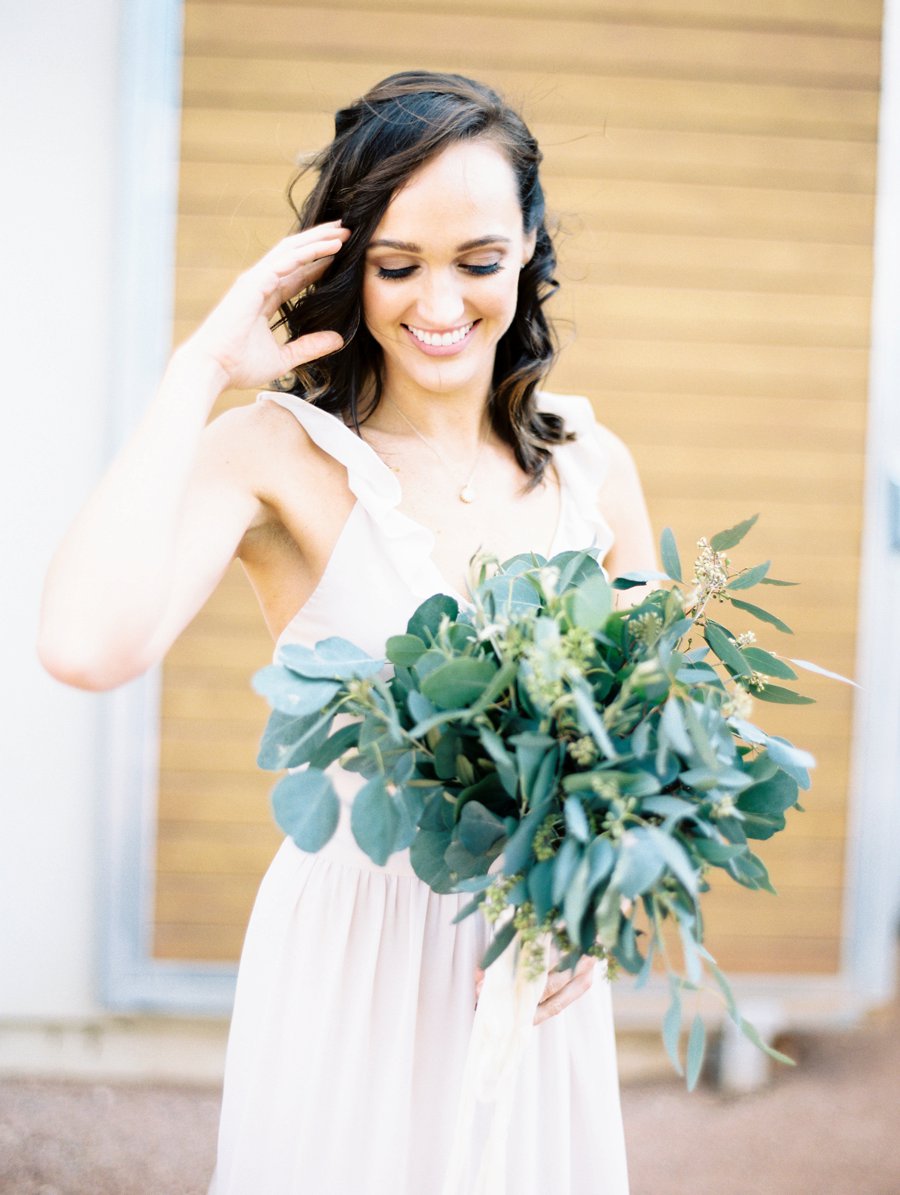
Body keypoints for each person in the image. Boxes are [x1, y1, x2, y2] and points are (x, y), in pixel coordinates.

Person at [39, 71, 655, 1194]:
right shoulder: (271, 454)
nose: (439, 303)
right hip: (353, 958)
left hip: (532, 967)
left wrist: (593, 907)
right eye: (396, 264)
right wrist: (200, 371)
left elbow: (654, 743)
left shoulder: (594, 466)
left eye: (476, 260)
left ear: (527, 251)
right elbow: (89, 645)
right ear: (344, 265)